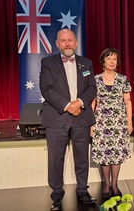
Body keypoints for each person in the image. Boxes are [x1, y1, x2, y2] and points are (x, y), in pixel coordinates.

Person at [39, 28, 97, 210]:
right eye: (63, 40)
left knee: (82, 158)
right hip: (58, 117)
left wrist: (79, 103)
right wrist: (67, 105)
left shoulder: (86, 63)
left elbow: (92, 89)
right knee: (56, 159)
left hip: (81, 117)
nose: (67, 43)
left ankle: (82, 190)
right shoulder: (47, 63)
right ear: (57, 44)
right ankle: (56, 194)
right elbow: (46, 89)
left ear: (76, 42)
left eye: (70, 40)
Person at [90, 48, 133, 199]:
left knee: (116, 154)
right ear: (103, 61)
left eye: (114, 59)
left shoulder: (123, 79)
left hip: (118, 123)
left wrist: (129, 123)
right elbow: (93, 102)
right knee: (104, 154)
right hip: (101, 121)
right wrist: (91, 124)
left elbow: (127, 101)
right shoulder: (95, 79)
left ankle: (115, 184)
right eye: (109, 58)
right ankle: (106, 184)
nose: (112, 61)